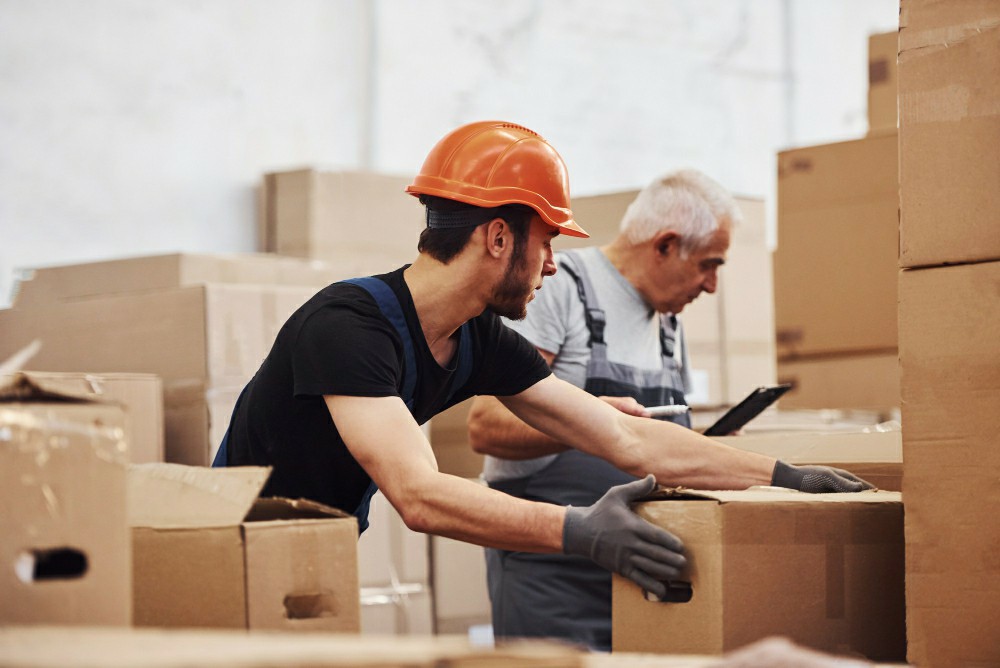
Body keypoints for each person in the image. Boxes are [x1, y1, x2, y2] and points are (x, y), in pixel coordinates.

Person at [213, 120, 871, 632]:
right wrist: (578, 531)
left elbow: (627, 440)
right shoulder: (349, 325)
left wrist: (780, 477)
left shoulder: (476, 338)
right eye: (548, 241)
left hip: (314, 548)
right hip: (226, 557)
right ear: (499, 238)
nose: (554, 265)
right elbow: (418, 495)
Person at [466, 169, 745, 651]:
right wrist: (596, 423)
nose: (712, 285)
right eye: (708, 264)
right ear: (665, 245)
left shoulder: (669, 324)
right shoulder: (556, 289)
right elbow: (487, 425)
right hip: (553, 578)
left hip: (644, 577)